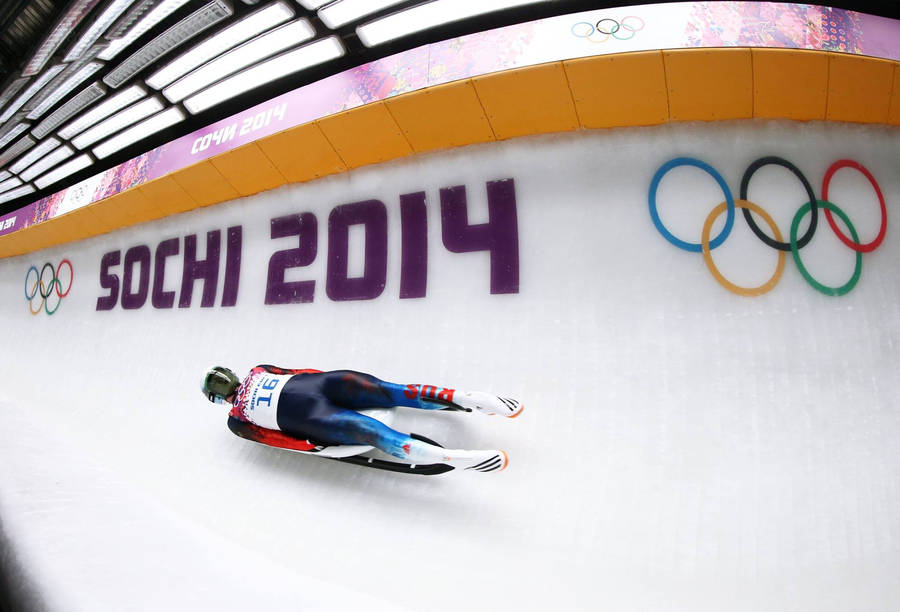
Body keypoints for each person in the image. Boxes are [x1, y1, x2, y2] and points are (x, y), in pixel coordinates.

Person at [201, 365, 523, 473]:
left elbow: (275, 440)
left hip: (315, 417)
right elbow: (301, 373)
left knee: (376, 435)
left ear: (218, 399)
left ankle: (454, 458)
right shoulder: (259, 369)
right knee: (392, 390)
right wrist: (328, 376)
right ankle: (467, 397)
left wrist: (314, 446)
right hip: (327, 383)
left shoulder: (236, 422)